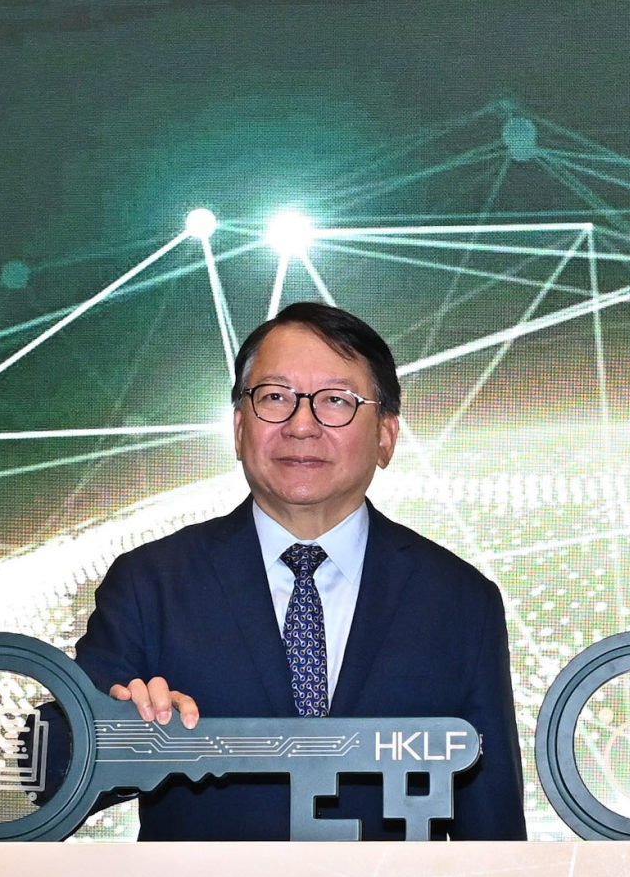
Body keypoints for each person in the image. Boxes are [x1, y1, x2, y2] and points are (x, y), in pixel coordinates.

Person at [68, 302, 526, 840]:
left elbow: (492, 832)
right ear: (240, 428)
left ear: (386, 435)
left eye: (336, 401)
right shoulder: (151, 582)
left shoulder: (458, 600)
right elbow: (53, 771)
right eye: (275, 398)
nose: (301, 425)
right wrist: (121, 734)